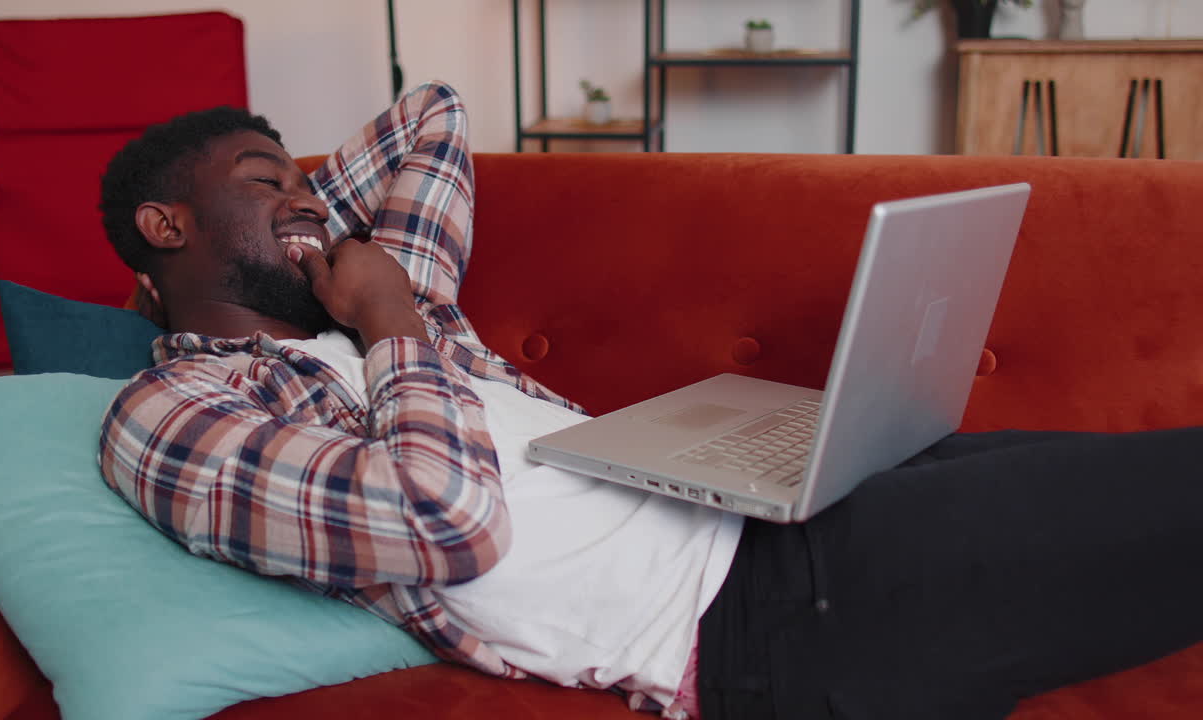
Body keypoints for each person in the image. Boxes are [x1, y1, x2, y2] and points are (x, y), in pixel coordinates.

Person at [97, 81, 1203, 720]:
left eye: (306, 179)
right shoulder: (173, 416)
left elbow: (430, 115)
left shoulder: (375, 290)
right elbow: (443, 521)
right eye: (265, 181)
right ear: (165, 226)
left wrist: (309, 232)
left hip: (780, 506)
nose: (307, 200)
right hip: (757, 616)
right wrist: (388, 323)